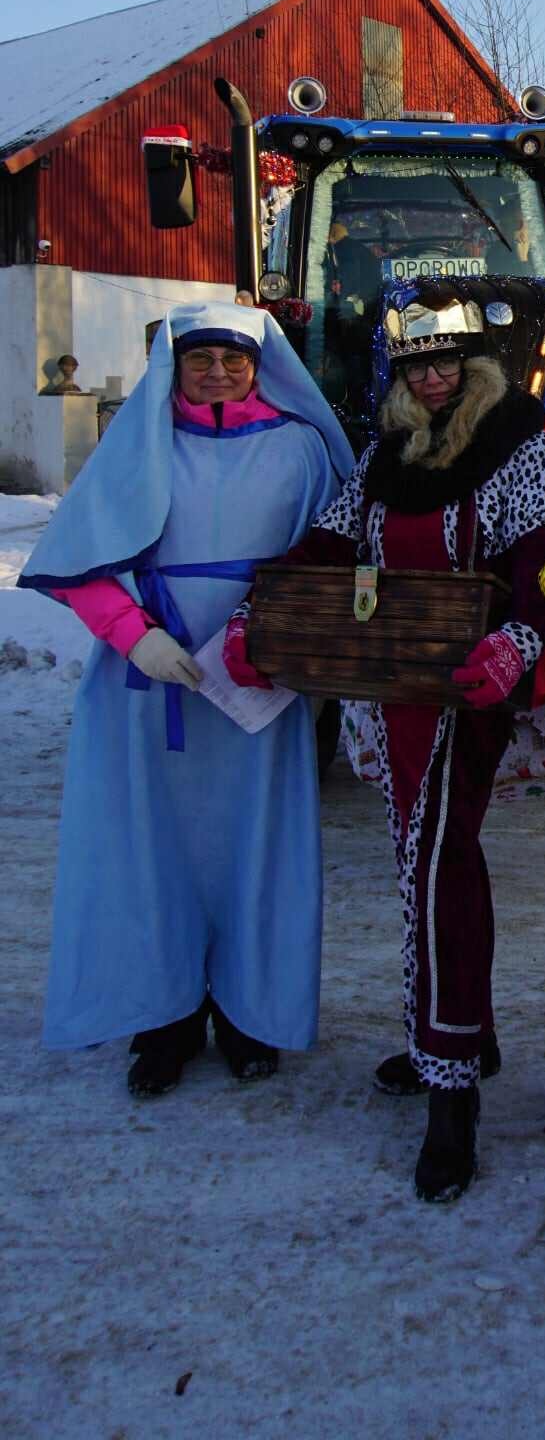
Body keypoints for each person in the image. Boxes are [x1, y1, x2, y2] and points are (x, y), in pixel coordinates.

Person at [228, 277, 545, 1201]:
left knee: (437, 863)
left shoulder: (523, 450)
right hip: (391, 689)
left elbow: (543, 561)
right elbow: (329, 548)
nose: (432, 380)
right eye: (417, 365)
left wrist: (521, 637)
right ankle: (462, 1033)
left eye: (447, 363)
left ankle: (450, 1088)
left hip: (469, 686)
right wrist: (261, 614)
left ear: (478, 366)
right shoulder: (387, 456)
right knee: (422, 859)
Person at [21, 302, 353, 1095]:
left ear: (258, 365)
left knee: (251, 847)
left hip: (257, 686)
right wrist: (136, 636)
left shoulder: (302, 449)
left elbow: (337, 558)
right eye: (200, 357)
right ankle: (163, 1017)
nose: (215, 371)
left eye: (231, 359)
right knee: (153, 851)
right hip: (149, 684)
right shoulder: (138, 444)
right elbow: (81, 560)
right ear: (174, 362)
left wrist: (289, 647)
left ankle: (249, 1013)